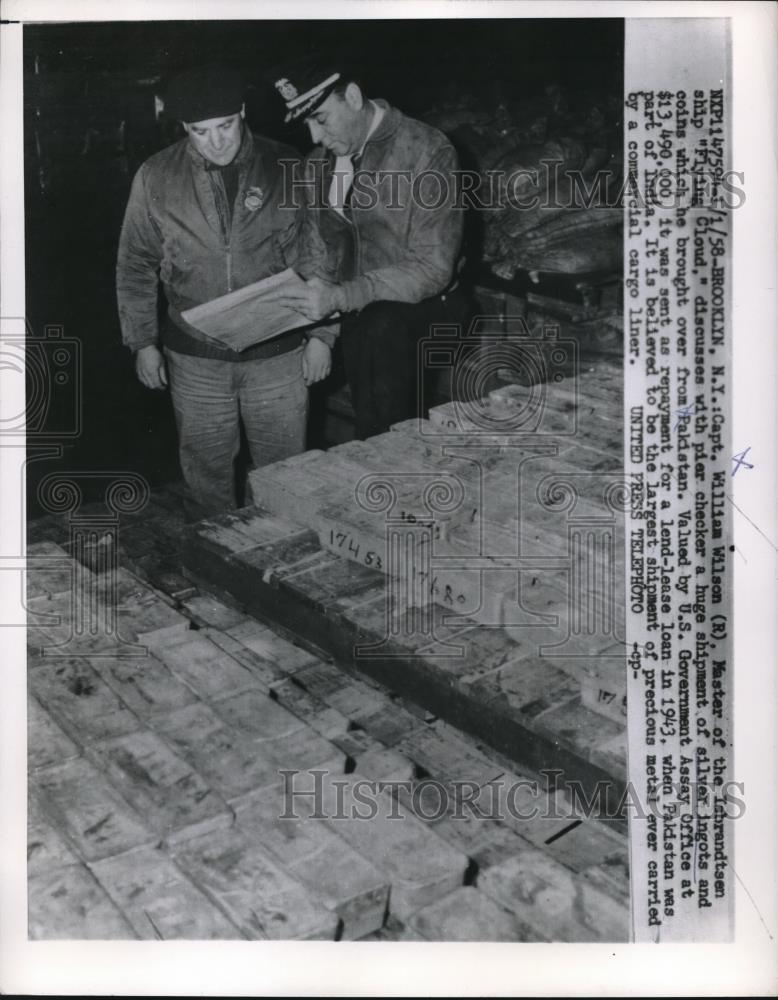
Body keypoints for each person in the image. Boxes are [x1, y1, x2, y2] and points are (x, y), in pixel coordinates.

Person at [116, 65, 334, 518]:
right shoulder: (156, 175)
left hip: (278, 356)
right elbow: (136, 263)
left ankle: (278, 563)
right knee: (206, 474)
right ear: (183, 128)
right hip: (196, 360)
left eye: (225, 127)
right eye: (200, 132)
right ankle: (216, 564)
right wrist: (142, 342)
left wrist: (322, 336)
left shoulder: (286, 165)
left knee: (284, 474)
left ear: (241, 112)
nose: (216, 142)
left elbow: (318, 255)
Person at [270, 60, 470, 439]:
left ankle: (387, 463)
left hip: (430, 304)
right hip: (357, 304)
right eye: (306, 124)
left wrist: (341, 299)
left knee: (378, 333)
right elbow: (319, 254)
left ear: (354, 97)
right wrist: (320, 335)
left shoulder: (426, 150)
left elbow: (432, 268)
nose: (314, 137)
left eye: (322, 119)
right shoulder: (319, 166)